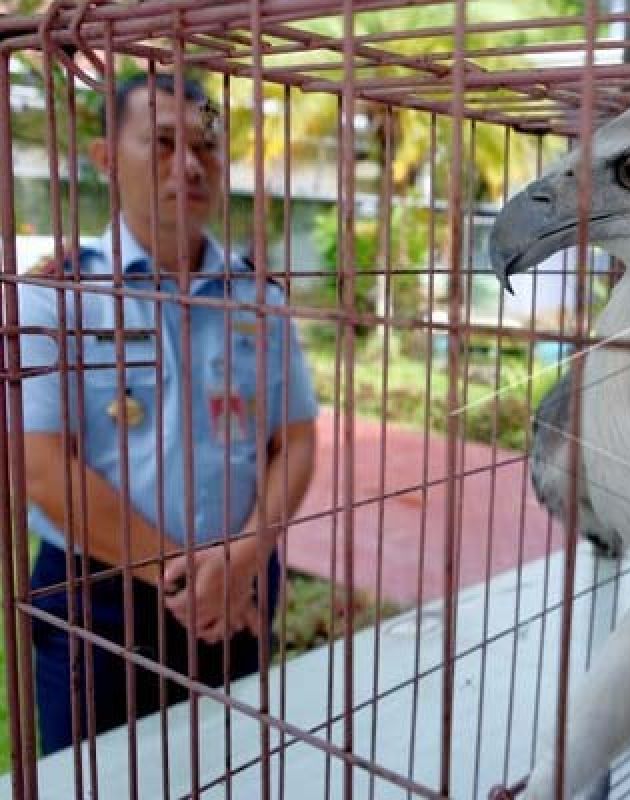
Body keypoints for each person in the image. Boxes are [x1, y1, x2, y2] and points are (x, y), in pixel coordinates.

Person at [18, 72, 319, 754]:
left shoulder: (256, 298)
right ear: (103, 158)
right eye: (161, 141)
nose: (189, 164)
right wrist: (184, 574)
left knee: (231, 769)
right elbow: (39, 469)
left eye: (207, 146)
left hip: (241, 588)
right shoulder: (58, 296)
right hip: (97, 602)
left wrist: (245, 554)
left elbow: (294, 441)